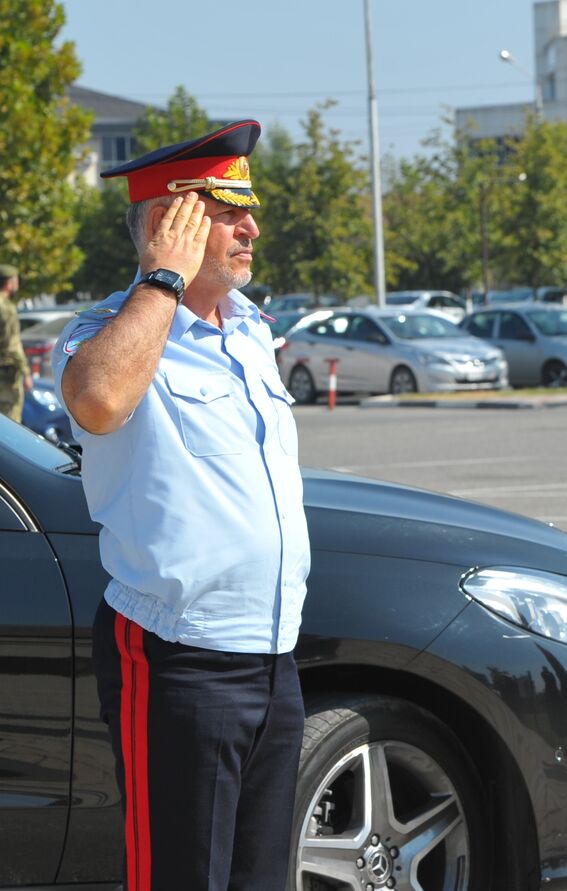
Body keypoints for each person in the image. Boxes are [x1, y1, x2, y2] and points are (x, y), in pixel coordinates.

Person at [53, 121, 311, 891]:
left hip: (274, 657)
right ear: (175, 222)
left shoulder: (251, 329)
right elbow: (97, 398)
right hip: (180, 657)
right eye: (229, 212)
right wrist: (162, 279)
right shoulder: (111, 330)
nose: (251, 228)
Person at [0, 263, 30, 422]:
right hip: (6, 373)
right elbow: (12, 344)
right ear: (9, 283)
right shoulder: (6, 308)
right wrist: (26, 372)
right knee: (10, 419)